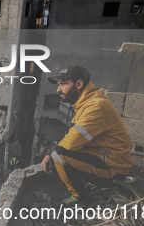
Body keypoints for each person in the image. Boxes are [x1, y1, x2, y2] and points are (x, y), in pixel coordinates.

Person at [42, 65, 133, 204]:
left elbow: (71, 144)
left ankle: (80, 198)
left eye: (63, 84)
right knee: (52, 151)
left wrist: (51, 152)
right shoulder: (85, 104)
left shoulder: (95, 106)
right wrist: (48, 152)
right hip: (104, 160)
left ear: (79, 84)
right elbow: (73, 137)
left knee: (58, 155)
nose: (58, 89)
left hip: (113, 171)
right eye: (58, 84)